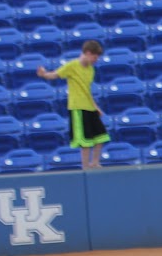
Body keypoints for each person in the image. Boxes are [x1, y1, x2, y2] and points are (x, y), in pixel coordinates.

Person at [36, 39, 108, 169]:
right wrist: (44, 74)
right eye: (94, 57)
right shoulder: (72, 66)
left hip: (89, 107)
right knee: (84, 141)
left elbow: (87, 90)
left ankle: (95, 162)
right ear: (87, 53)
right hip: (78, 108)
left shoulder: (91, 70)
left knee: (101, 137)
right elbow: (55, 75)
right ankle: (85, 167)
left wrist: (96, 107)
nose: (95, 60)